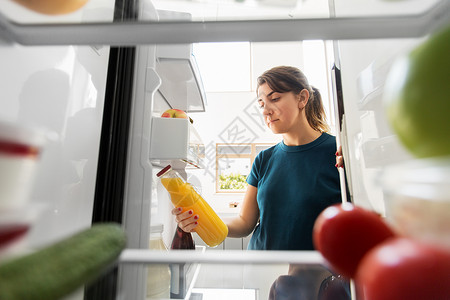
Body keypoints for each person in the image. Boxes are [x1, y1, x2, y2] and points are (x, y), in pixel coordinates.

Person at [172, 65, 344, 251]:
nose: (265, 111)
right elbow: (245, 223)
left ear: (302, 98)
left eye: (275, 99)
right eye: (261, 104)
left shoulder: (338, 153)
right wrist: (201, 221)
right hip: (261, 270)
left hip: (317, 275)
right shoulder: (264, 159)